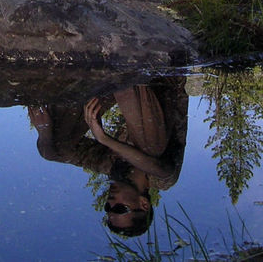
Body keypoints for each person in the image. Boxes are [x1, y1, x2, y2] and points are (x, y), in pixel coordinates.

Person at [28, 80, 188, 237]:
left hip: (116, 82)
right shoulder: (162, 180)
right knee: (152, 151)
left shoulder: (112, 166)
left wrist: (45, 132)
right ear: (144, 204)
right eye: (120, 208)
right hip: (162, 78)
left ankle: (93, 74)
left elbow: (54, 153)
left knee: (57, 146)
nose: (111, 201)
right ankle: (123, 70)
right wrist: (104, 139)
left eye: (107, 207)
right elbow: (161, 169)